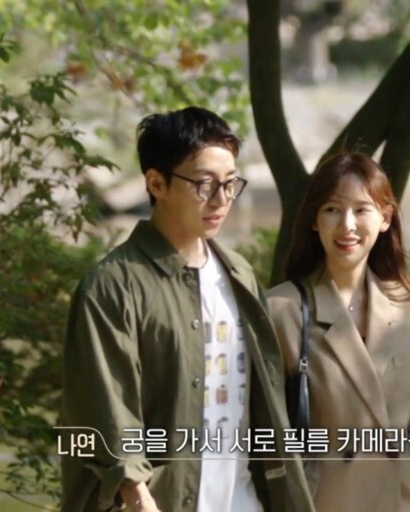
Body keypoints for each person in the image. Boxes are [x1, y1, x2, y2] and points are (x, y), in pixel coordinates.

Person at [60, 106, 314, 512]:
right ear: (156, 183)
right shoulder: (113, 285)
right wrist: (138, 497)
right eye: (204, 184)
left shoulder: (239, 274)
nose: (221, 199)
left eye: (230, 184)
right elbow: (102, 410)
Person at [267, 152, 410, 512]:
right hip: (322, 501)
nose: (347, 225)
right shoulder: (279, 311)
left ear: (385, 218)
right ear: (315, 221)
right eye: (332, 209)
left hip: (403, 501)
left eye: (361, 209)